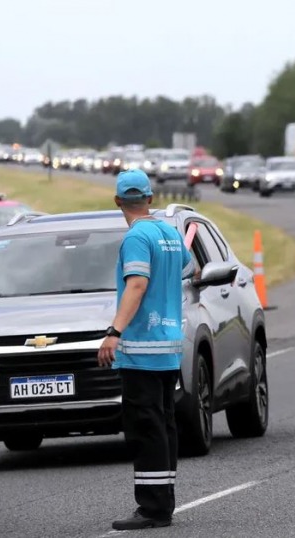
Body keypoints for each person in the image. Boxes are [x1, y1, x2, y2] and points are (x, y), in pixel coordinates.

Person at [97, 169, 196, 530]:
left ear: (118, 201)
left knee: (145, 426)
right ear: (151, 199)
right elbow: (190, 268)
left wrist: (114, 331)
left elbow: (137, 284)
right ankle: (163, 500)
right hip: (168, 346)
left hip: (141, 348)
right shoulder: (168, 232)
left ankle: (153, 508)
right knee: (163, 423)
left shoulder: (136, 237)